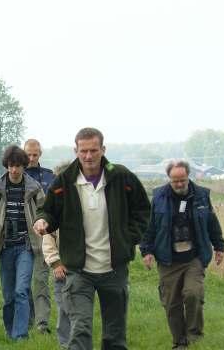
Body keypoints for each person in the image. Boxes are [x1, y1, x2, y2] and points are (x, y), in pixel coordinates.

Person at [33, 127, 150, 350]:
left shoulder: (121, 177)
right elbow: (47, 210)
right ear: (76, 150)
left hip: (113, 269)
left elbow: (143, 210)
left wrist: (128, 238)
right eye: (83, 151)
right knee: (80, 329)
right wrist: (43, 221)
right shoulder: (64, 181)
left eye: (93, 150)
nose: (88, 156)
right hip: (78, 271)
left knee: (114, 334)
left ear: (103, 149)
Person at [140, 160, 224, 350]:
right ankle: (179, 342)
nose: (179, 184)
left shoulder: (202, 196)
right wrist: (146, 251)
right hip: (167, 259)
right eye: (175, 180)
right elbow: (150, 227)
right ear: (169, 178)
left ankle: (194, 334)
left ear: (188, 176)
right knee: (172, 304)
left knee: (192, 293)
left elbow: (212, 223)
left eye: (182, 180)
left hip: (194, 258)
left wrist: (219, 246)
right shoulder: (159, 197)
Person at [0, 145, 45, 340]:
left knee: (21, 290)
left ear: (24, 166)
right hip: (5, 246)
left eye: (17, 166)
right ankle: (10, 331)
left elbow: (44, 212)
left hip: (26, 245)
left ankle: (20, 335)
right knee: (9, 296)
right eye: (10, 165)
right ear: (6, 166)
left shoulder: (34, 189)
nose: (14, 170)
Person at [24, 139, 56, 334]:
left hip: (43, 237)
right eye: (28, 154)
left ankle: (42, 323)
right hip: (21, 237)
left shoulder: (49, 177)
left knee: (41, 281)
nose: (32, 158)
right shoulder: (16, 176)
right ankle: (26, 319)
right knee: (23, 283)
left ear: (40, 154)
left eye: (35, 154)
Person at [42, 161, 72, 349]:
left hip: (85, 267)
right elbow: (48, 238)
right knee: (63, 308)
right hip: (62, 266)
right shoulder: (53, 204)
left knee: (79, 311)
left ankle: (78, 342)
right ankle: (65, 344)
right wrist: (55, 263)